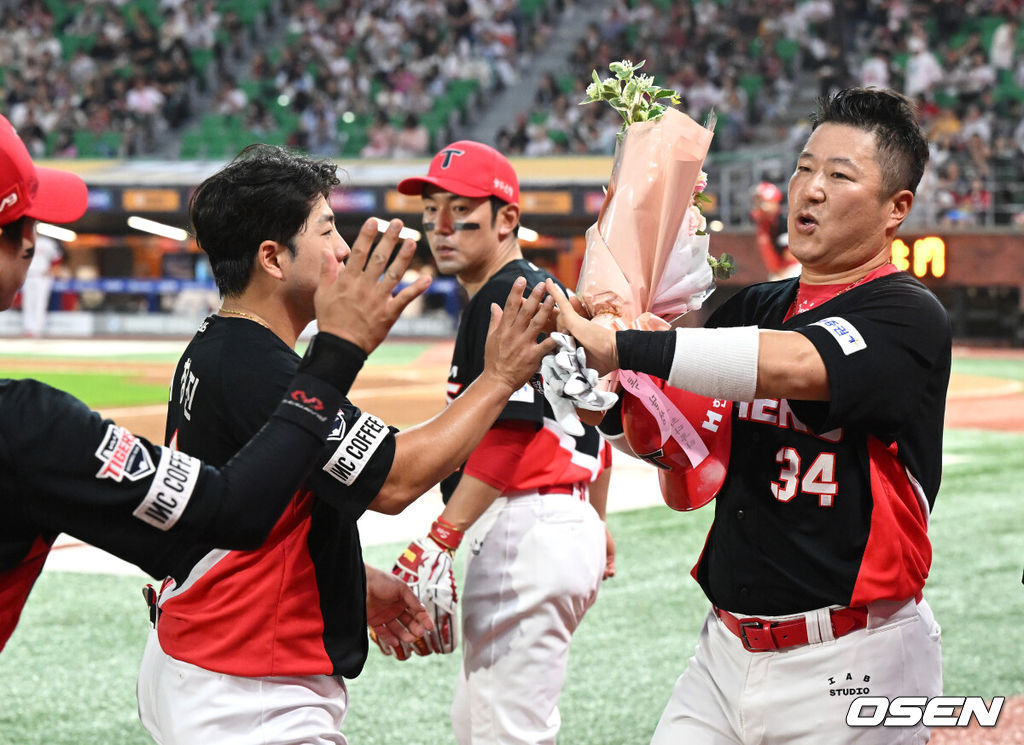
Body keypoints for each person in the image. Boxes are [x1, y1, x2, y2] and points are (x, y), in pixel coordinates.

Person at [547, 88, 950, 745]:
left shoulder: (907, 315)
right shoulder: (755, 304)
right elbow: (680, 443)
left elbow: (793, 365)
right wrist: (605, 394)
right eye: (803, 166)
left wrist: (627, 345)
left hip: (854, 657)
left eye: (840, 175)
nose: (811, 188)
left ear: (895, 209)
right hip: (724, 651)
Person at [137, 143, 558, 745]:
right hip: (247, 687)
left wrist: (347, 578)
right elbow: (393, 481)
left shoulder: (218, 346)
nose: (341, 250)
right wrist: (498, 379)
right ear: (273, 258)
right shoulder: (260, 370)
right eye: (328, 230)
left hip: (209, 663)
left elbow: (252, 514)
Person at [0, 114, 433, 655]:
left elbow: (182, 540)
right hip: (246, 675)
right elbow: (228, 513)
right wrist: (341, 352)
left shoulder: (210, 348)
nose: (32, 242)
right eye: (25, 222)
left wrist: (342, 576)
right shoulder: (26, 425)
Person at [394, 140, 614, 745]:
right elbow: (593, 418)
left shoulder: (501, 297)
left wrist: (445, 533)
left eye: (460, 208)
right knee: (491, 724)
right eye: (431, 208)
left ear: (507, 218)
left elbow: (510, 431)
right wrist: (596, 522)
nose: (440, 226)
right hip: (564, 523)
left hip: (525, 527)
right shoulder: (550, 291)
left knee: (500, 733)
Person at [20, 231, 61, 336]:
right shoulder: (24, 242)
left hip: (42, 276)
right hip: (28, 276)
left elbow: (57, 258)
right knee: (28, 302)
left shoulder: (47, 243)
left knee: (40, 302)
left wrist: (52, 270)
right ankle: (28, 328)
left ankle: (37, 329)